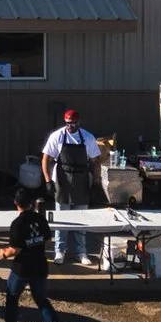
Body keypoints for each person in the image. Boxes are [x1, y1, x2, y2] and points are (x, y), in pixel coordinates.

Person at [0, 185, 66, 322]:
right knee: (41, 300)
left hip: (22, 268)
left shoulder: (17, 224)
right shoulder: (40, 219)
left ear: (16, 203)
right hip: (40, 265)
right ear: (31, 203)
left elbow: (15, 250)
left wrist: (2, 253)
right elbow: (47, 239)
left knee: (12, 297)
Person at [42, 109, 103, 267]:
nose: (70, 127)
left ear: (79, 122)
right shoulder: (57, 136)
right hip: (62, 179)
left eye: (73, 124)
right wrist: (48, 180)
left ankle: (81, 252)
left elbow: (96, 161)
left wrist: (96, 182)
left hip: (81, 179)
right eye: (68, 123)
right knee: (62, 218)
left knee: (81, 218)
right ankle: (59, 251)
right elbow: (46, 158)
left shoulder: (87, 137)